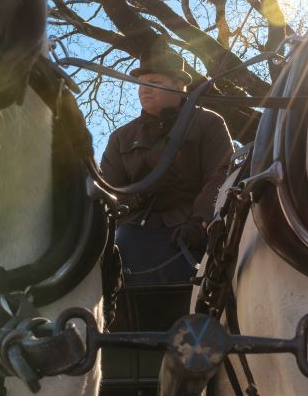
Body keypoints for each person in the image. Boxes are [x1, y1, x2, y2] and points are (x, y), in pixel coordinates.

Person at [99, 50, 234, 283]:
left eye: (154, 82)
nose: (144, 90)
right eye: (140, 84)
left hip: (193, 235)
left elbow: (221, 174)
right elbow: (106, 192)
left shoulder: (208, 122)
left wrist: (201, 221)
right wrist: (138, 197)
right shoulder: (121, 137)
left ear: (180, 85)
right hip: (133, 238)